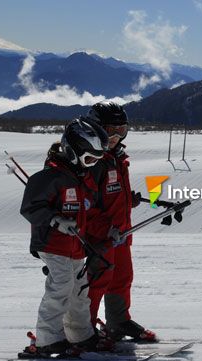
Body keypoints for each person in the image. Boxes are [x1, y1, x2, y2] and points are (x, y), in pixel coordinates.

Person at [20, 118, 110, 354]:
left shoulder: (80, 178)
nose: (91, 165)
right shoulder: (48, 177)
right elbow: (30, 208)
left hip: (75, 246)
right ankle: (48, 340)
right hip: (52, 243)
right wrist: (54, 220)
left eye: (96, 161)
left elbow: (87, 209)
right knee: (60, 287)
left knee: (79, 290)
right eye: (89, 159)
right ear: (73, 151)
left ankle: (80, 335)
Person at [85, 101, 157, 342]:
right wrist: (105, 229)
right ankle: (84, 328)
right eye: (109, 130)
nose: (115, 136)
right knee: (96, 282)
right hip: (101, 236)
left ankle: (119, 321)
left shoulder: (117, 158)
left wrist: (129, 201)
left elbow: (109, 193)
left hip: (122, 233)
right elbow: (85, 205)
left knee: (122, 278)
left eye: (121, 130)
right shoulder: (92, 160)